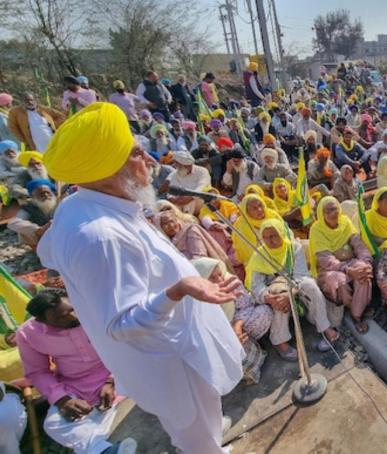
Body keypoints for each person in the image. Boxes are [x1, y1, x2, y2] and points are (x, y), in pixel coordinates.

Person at [39, 103, 244, 453]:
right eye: (135, 153)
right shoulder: (97, 235)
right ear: (106, 170)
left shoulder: (83, 206)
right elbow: (120, 324)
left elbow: (49, 251)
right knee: (193, 430)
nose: (149, 159)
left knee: (201, 418)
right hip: (169, 358)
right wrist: (181, 288)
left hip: (179, 345)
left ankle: (208, 435)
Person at [16, 290, 137, 454]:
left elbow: (124, 346)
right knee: (53, 424)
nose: (72, 316)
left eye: (71, 309)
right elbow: (38, 372)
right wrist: (62, 400)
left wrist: (111, 380)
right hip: (75, 387)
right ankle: (105, 450)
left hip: (118, 372)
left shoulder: (93, 310)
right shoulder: (27, 334)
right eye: (61, 317)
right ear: (42, 321)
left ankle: (99, 446)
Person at [246, 218, 341, 355]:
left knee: (310, 285)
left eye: (273, 236)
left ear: (281, 233)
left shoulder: (293, 247)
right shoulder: (259, 254)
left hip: (295, 285)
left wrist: (289, 293)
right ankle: (280, 340)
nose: (269, 241)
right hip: (274, 292)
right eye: (265, 237)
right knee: (277, 293)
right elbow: (256, 286)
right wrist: (269, 297)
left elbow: (301, 274)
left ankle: (324, 327)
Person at [308, 197, 374, 333]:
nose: (333, 213)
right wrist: (348, 270)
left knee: (363, 271)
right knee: (338, 280)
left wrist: (366, 261)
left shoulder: (345, 222)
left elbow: (358, 244)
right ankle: (350, 306)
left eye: (335, 209)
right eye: (328, 211)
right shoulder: (317, 229)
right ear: (321, 214)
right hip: (329, 269)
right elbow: (326, 260)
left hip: (349, 261)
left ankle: (357, 314)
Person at [155, 210, 231, 267]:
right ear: (160, 228)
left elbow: (200, 258)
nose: (171, 225)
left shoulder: (190, 231)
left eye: (172, 221)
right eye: (165, 224)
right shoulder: (165, 243)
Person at [231, 193, 282, 266]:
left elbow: (286, 235)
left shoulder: (272, 215)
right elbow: (249, 253)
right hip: (257, 261)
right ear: (247, 212)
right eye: (254, 208)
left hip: (280, 253)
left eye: (260, 205)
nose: (260, 210)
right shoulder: (241, 225)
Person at [8, 179, 57, 248]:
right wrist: (37, 229)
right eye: (41, 194)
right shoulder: (28, 207)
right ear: (33, 196)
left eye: (48, 192)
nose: (46, 195)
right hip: (44, 239)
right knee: (23, 231)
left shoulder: (60, 202)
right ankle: (40, 254)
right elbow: (13, 223)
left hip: (62, 234)